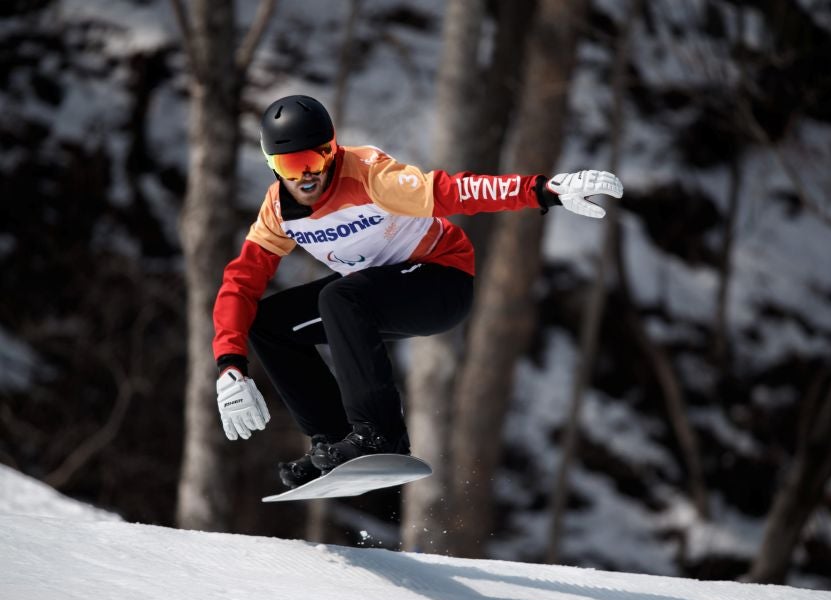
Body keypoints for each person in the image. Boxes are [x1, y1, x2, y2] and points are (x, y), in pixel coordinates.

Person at [212, 95, 623, 489]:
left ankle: (380, 437)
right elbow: (241, 282)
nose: (307, 174)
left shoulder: (370, 175)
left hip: (440, 280)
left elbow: (454, 191)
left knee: (338, 298)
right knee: (269, 324)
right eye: (291, 163)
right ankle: (333, 441)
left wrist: (541, 190)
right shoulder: (278, 212)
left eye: (317, 157)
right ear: (272, 166)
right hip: (379, 293)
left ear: (333, 149)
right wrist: (230, 364)